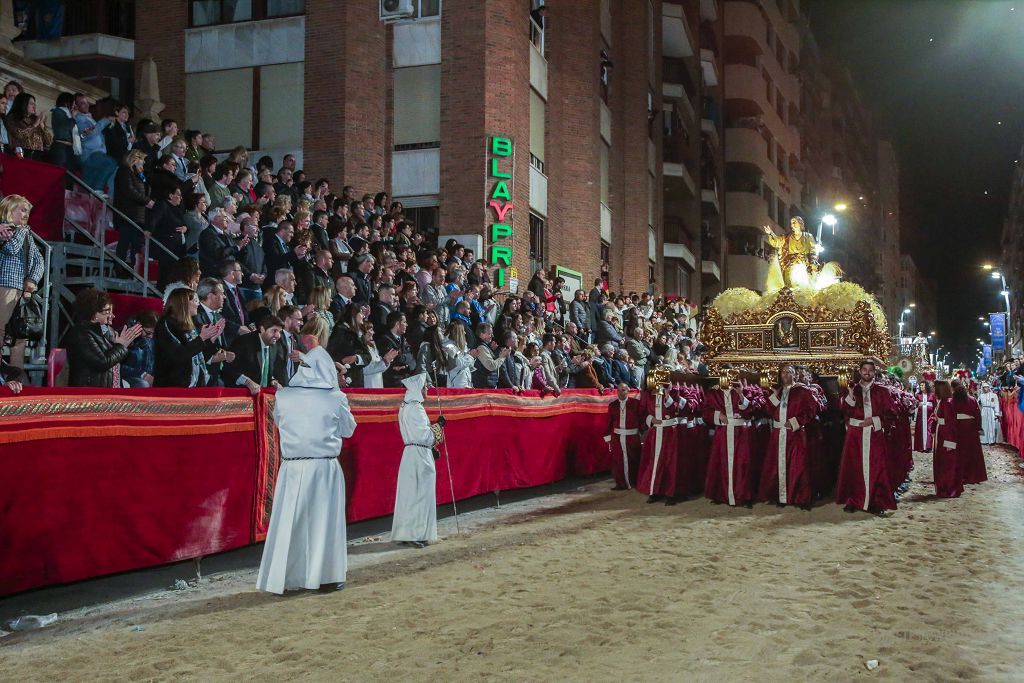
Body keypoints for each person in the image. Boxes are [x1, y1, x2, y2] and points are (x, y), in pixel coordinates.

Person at [256, 344, 356, 594]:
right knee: (325, 522)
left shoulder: (285, 396)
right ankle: (326, 575)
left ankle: (286, 576)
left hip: (292, 468)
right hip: (324, 468)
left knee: (292, 521)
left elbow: (280, 422)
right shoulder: (335, 397)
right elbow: (348, 429)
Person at [834, 360, 898, 513]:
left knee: (877, 467)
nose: (867, 372)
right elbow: (844, 410)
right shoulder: (851, 389)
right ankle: (853, 500)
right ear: (860, 371)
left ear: (874, 372)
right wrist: (850, 394)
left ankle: (876, 502)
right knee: (853, 467)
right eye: (864, 369)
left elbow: (891, 413)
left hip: (874, 434)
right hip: (855, 434)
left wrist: (874, 421)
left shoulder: (882, 391)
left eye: (870, 370)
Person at [391, 373, 444, 548]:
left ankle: (406, 532)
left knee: (409, 495)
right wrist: (438, 426)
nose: (427, 389)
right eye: (424, 386)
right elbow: (425, 437)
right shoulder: (417, 408)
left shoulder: (405, 407)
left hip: (410, 454)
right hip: (420, 456)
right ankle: (416, 532)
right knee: (420, 494)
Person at [758, 364, 816, 509]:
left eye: (789, 372)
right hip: (778, 434)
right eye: (783, 372)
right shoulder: (777, 391)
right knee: (777, 464)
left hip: (795, 434)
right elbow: (770, 411)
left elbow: (810, 410)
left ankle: (801, 498)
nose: (785, 375)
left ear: (795, 375)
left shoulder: (803, 391)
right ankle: (780, 496)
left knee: (799, 465)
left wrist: (796, 422)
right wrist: (773, 395)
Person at [0, 195, 44, 370]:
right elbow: (11, 249)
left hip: (21, 290)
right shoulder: (7, 229)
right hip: (4, 285)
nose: (26, 214)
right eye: (23, 209)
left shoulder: (25, 233)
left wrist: (32, 280)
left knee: (21, 334)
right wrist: (23, 231)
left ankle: (16, 375)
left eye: (28, 211)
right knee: (1, 330)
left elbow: (38, 260)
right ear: (10, 209)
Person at [65, 288, 143, 387]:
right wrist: (121, 346)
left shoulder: (105, 331)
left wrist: (121, 344)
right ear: (93, 314)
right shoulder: (81, 333)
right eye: (106, 311)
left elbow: (114, 361)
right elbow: (102, 362)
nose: (112, 315)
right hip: (90, 394)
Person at [703, 370, 758, 507]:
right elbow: (706, 411)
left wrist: (740, 394)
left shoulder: (744, 390)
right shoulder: (714, 393)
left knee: (743, 464)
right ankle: (721, 494)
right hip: (723, 432)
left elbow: (752, 409)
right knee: (720, 463)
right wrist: (718, 416)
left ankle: (744, 495)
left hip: (741, 433)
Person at [153, 288, 226, 388]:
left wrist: (211, 339)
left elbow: (202, 357)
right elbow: (178, 355)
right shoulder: (167, 324)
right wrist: (201, 338)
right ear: (183, 303)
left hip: (195, 384)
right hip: (173, 387)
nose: (198, 304)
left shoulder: (193, 325)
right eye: (195, 300)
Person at [635, 385, 680, 504]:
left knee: (671, 462)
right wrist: (650, 419)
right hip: (656, 433)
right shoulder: (648, 393)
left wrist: (667, 396)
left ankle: (671, 493)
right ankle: (655, 491)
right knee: (654, 462)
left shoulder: (674, 391)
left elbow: (678, 409)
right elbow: (642, 412)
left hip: (671, 432)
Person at [603, 382, 644, 490]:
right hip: (617, 437)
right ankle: (621, 483)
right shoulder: (613, 405)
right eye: (618, 390)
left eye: (623, 390)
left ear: (628, 391)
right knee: (618, 461)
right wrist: (607, 436)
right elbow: (609, 422)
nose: (620, 393)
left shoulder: (636, 403)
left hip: (632, 437)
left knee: (634, 459)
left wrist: (643, 433)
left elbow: (641, 419)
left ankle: (635, 482)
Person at [932, 380, 965, 499]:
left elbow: (950, 423)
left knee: (947, 464)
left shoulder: (947, 403)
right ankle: (942, 487)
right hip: (940, 433)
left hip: (945, 435)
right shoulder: (942, 401)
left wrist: (950, 443)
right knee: (942, 462)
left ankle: (948, 488)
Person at [913, 380, 936, 452]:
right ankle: (920, 447)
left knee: (929, 430)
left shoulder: (932, 395)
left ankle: (928, 447)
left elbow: (935, 405)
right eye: (920, 385)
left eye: (922, 385)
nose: (921, 387)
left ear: (926, 386)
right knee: (920, 430)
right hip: (920, 416)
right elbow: (915, 404)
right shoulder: (917, 395)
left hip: (930, 416)